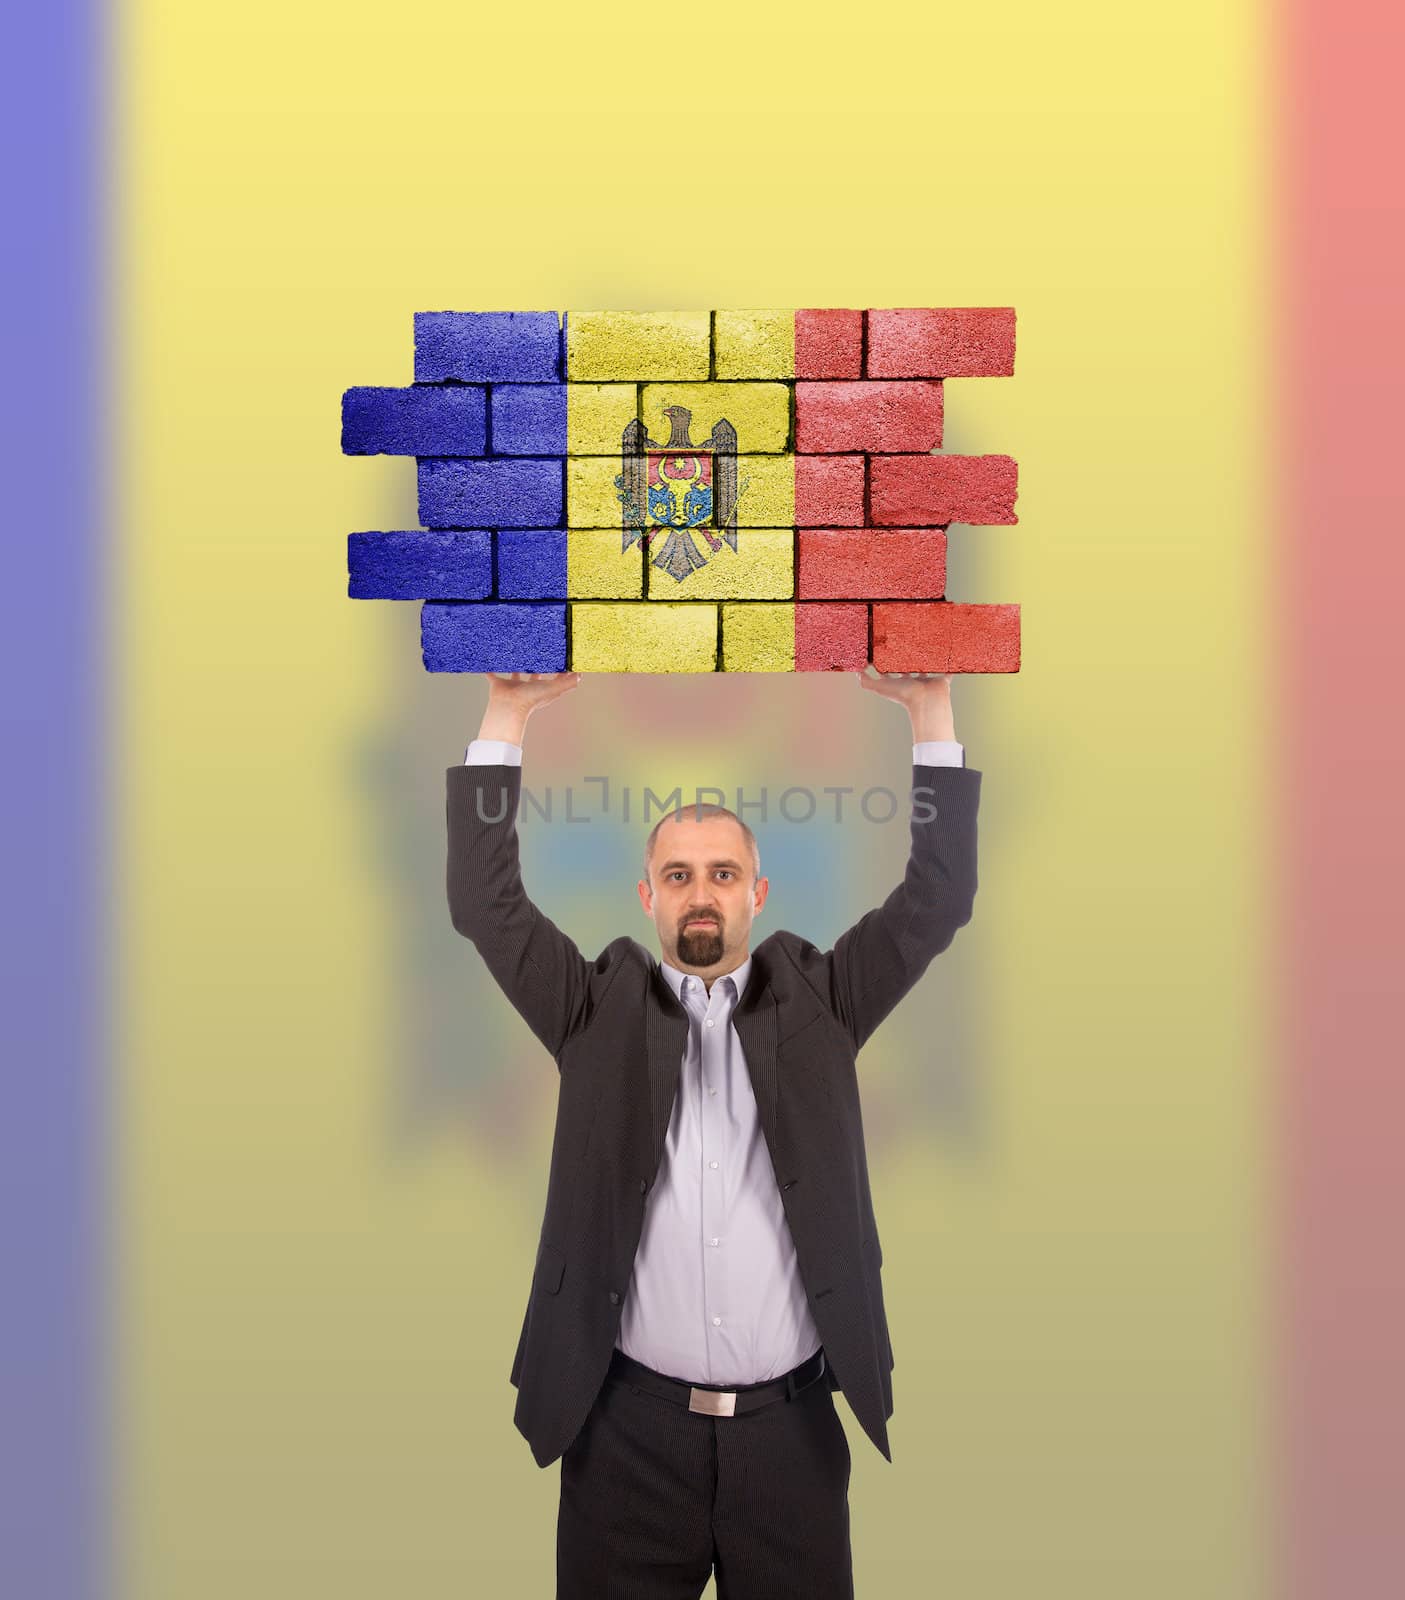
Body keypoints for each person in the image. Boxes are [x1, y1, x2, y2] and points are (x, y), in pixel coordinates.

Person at [447, 667, 982, 1598]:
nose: (703, 894)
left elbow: (934, 901)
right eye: (680, 876)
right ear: (646, 897)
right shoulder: (590, 1009)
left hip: (793, 1442)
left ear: (758, 895)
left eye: (723, 875)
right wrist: (509, 712)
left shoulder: (826, 998)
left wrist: (928, 711)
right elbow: (484, 906)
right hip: (624, 1439)